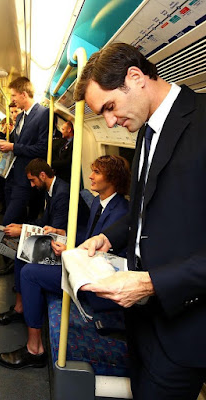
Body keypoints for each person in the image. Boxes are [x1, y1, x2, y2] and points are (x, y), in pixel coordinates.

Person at [74, 42, 206, 399]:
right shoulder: (147, 132)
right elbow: (142, 213)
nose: (110, 122)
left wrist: (152, 283)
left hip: (186, 329)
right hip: (141, 320)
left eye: (110, 107)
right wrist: (108, 238)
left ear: (135, 77)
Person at [0, 155, 130, 369]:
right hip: (84, 262)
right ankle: (22, 309)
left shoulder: (121, 212)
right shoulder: (99, 202)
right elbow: (89, 236)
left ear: (112, 178)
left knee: (30, 274)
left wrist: (71, 250)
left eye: (96, 172)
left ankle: (34, 349)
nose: (90, 176)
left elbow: (106, 259)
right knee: (24, 255)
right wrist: (63, 234)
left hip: (96, 280)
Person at [0, 158, 69, 328]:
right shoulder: (53, 190)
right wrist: (22, 226)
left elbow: (56, 230)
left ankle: (21, 308)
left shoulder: (62, 193)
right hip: (60, 236)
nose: (32, 185)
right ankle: (20, 307)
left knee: (24, 258)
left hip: (66, 244)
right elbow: (45, 221)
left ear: (42, 175)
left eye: (33, 180)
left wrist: (22, 232)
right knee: (21, 252)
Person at [0, 78, 49, 274]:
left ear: (24, 94)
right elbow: (18, 144)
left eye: (14, 95)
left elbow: (42, 148)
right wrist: (6, 147)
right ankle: (16, 260)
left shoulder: (43, 114)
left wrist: (14, 147)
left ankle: (13, 262)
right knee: (15, 220)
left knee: (8, 222)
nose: (13, 100)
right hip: (13, 176)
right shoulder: (19, 118)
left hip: (27, 180)